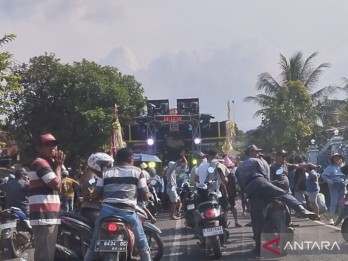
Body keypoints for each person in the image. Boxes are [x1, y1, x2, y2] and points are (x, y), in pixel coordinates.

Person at [235, 144, 318, 256]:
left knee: (256, 219)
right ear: (251, 152)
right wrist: (267, 184)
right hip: (261, 183)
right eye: (256, 152)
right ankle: (302, 210)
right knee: (283, 194)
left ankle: (258, 247)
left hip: (251, 191)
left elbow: (241, 186)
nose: (258, 154)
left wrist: (247, 197)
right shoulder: (257, 161)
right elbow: (264, 175)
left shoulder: (239, 167)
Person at [84, 148, 151, 261]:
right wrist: (148, 196)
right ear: (131, 158)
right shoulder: (138, 172)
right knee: (142, 243)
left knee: (94, 244)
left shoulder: (105, 173)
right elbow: (144, 195)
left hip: (106, 212)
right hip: (127, 212)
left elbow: (96, 194)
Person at [28, 133, 66, 261]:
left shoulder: (49, 164)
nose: (52, 148)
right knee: (45, 256)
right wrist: (59, 167)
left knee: (47, 254)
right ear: (39, 148)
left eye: (54, 145)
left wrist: (58, 166)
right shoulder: (41, 163)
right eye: (47, 145)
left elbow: (61, 182)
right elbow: (56, 184)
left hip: (48, 215)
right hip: (44, 216)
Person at [78, 152, 114, 224]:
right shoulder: (91, 175)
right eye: (103, 164)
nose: (105, 167)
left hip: (95, 207)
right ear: (95, 164)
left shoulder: (94, 175)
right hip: (92, 208)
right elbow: (89, 184)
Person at [322, 152, 348, 225]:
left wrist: (345, 182)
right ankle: (331, 218)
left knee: (341, 203)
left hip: (342, 186)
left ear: (341, 158)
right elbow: (324, 175)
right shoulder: (330, 167)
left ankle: (341, 218)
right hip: (334, 186)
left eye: (338, 157)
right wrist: (329, 181)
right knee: (333, 203)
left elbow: (346, 176)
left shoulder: (343, 166)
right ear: (333, 159)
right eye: (335, 157)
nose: (337, 159)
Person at [165, 155, 186, 220]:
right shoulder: (169, 171)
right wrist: (180, 159)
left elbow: (184, 164)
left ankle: (176, 212)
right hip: (170, 188)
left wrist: (184, 157)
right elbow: (176, 164)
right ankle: (172, 215)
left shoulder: (174, 171)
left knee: (179, 201)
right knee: (174, 202)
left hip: (173, 188)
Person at [223, 156, 241, 227]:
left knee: (225, 209)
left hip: (226, 193)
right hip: (228, 193)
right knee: (229, 208)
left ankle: (233, 222)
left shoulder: (226, 174)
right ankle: (234, 221)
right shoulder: (230, 174)